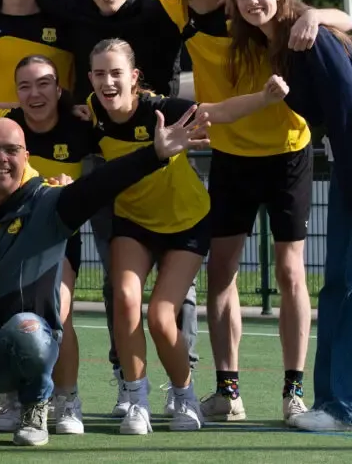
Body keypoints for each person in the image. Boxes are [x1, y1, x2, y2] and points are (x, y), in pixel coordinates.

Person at [0, 87, 209, 448]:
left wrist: (156, 153)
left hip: (11, 348)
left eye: (11, 150)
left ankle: (36, 404)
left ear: (26, 156)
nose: (1, 159)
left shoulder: (48, 204)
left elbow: (101, 183)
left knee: (30, 331)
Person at [0, 0, 194, 419]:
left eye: (43, 84)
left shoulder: (153, 10)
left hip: (142, 170)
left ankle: (152, 385)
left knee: (134, 293)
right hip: (51, 215)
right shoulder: (15, 126)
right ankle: (36, 392)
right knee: (39, 299)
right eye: (26, 87)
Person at [144, 0, 352, 423]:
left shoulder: (275, 19)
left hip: (288, 153)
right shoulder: (179, 6)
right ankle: (228, 392)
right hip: (231, 159)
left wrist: (313, 15)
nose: (249, 1)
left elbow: (344, 18)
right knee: (221, 272)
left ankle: (292, 393)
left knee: (289, 272)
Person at [226, 0, 352, 432]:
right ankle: (331, 404)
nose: (252, 1)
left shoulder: (309, 37)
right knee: (337, 282)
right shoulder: (280, 43)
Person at [86, 38, 289, 435]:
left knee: (162, 317)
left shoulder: (160, 110)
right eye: (98, 74)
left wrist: (265, 98)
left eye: (115, 72)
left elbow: (220, 111)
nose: (107, 81)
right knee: (125, 297)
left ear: (134, 77)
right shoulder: (92, 111)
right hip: (134, 223)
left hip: (186, 222)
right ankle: (136, 400)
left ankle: (184, 394)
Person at [0, 55, 98, 436]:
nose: (34, 93)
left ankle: (67, 398)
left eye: (43, 84)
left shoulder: (80, 125)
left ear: (58, 89)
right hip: (5, 239)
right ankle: (10, 396)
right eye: (24, 86)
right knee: (4, 310)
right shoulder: (4, 128)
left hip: (54, 236)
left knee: (59, 311)